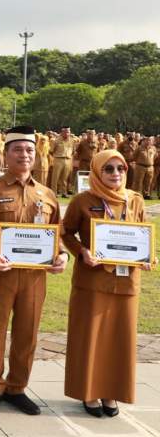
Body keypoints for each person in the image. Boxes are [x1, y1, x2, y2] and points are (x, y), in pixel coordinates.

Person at [0, 126, 69, 415]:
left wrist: (61, 256)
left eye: (29, 150)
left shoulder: (47, 194)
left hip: (34, 278)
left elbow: (56, 235)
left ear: (36, 154)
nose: (24, 155)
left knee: (27, 333)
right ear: (6, 154)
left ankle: (17, 388)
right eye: (18, 150)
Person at [62, 150, 155, 417]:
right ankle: (89, 392)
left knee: (119, 339)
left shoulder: (135, 199)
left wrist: (149, 256)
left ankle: (111, 393)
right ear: (96, 171)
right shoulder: (83, 200)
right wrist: (81, 251)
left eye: (120, 168)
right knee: (91, 338)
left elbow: (143, 233)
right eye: (109, 169)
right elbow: (66, 232)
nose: (116, 174)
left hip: (127, 283)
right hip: (92, 280)